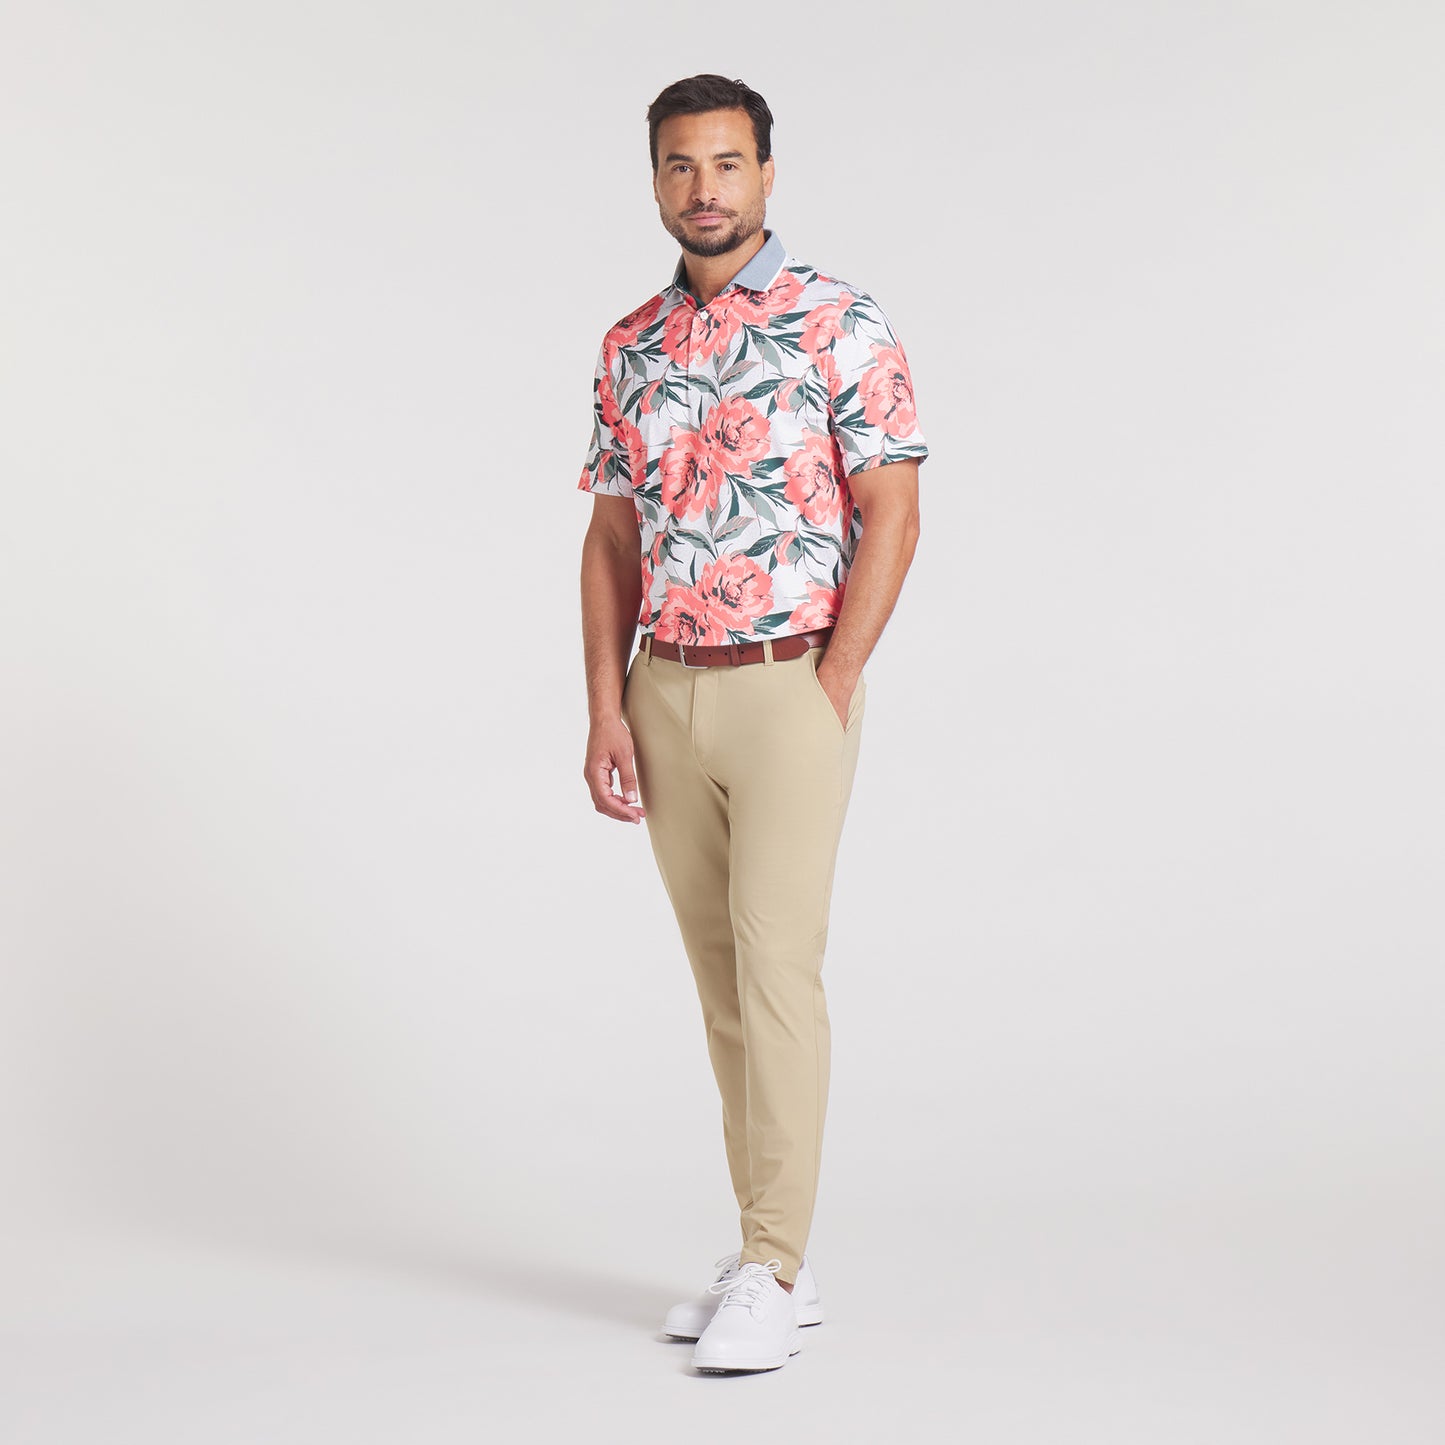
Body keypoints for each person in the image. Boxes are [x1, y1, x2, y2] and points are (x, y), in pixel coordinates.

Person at [577, 73, 928, 1373]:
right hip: (663, 688)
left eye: (726, 163)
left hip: (789, 681)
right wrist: (606, 704)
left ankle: (774, 1264)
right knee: (722, 984)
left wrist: (832, 683)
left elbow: (892, 510)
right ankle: (767, 1247)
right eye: (680, 165)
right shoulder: (631, 344)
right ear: (655, 181)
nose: (704, 188)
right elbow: (611, 537)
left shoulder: (839, 319)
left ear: (767, 174)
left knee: (778, 971)